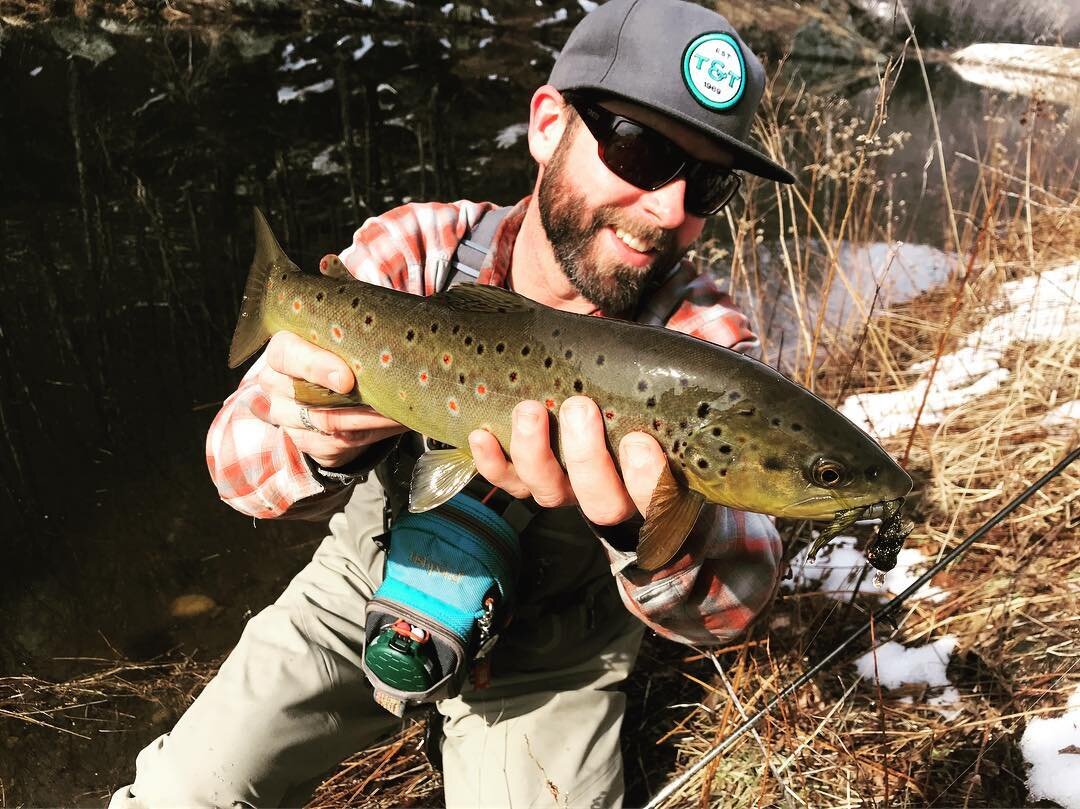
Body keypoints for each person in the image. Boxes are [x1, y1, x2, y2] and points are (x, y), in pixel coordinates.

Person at [111, 0, 796, 805]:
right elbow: (233, 464)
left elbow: (735, 603)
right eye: (638, 150)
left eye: (708, 181)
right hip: (362, 590)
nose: (670, 208)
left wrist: (649, 531)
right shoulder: (417, 251)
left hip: (550, 665)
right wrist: (316, 438)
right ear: (548, 124)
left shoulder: (708, 346)